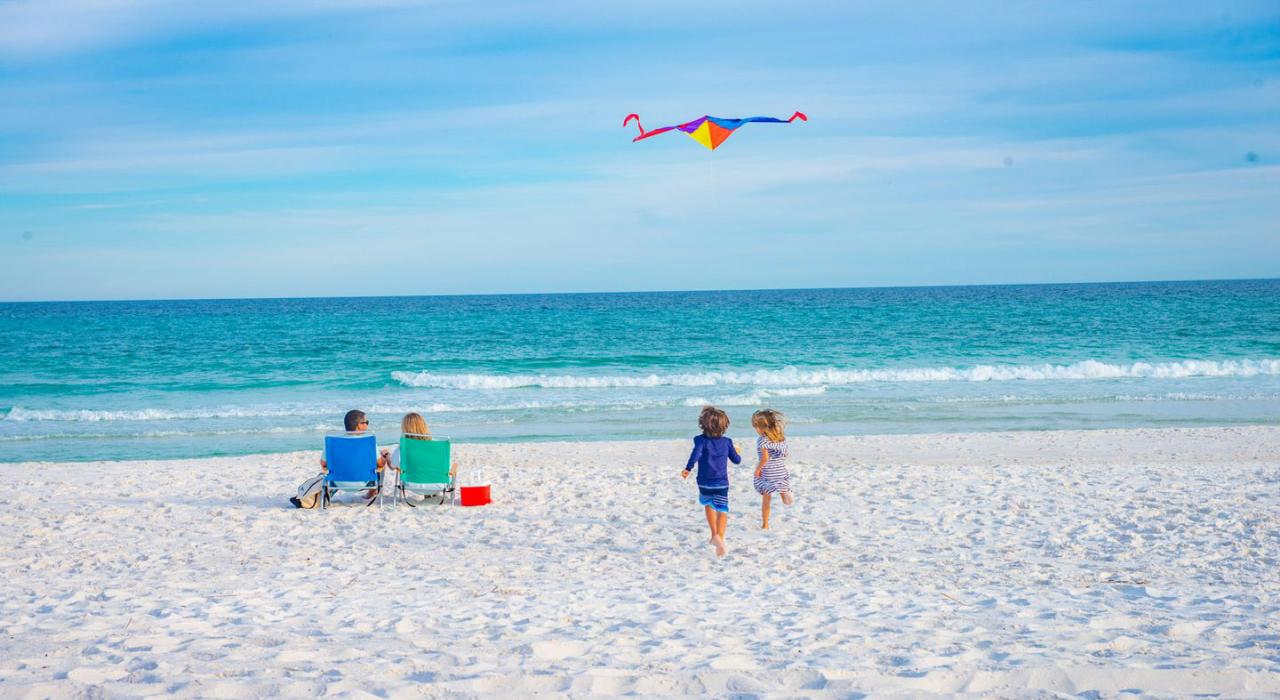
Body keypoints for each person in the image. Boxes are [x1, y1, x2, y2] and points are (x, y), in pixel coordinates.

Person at [681, 406, 741, 557]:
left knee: (708, 504)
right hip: (721, 483)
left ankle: (714, 534)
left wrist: (688, 468)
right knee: (722, 509)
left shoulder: (699, 440)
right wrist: (736, 451)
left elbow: (695, 454)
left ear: (703, 424)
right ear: (724, 426)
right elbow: (737, 460)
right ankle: (720, 537)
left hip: (703, 482)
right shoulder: (727, 442)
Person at [381, 412, 457, 499]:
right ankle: (431, 493)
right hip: (439, 485)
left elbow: (392, 466)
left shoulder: (403, 447)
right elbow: (447, 467)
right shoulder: (438, 445)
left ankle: (428, 492)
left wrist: (387, 455)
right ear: (424, 426)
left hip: (412, 484)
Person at [319, 409, 388, 501]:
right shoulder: (368, 442)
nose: (367, 425)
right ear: (359, 425)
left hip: (337, 482)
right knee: (381, 462)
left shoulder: (333, 442)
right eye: (366, 422)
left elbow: (323, 463)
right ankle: (372, 492)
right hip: (363, 483)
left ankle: (329, 492)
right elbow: (380, 464)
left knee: (329, 470)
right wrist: (384, 456)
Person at [751, 409, 793, 529]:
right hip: (780, 470)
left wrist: (757, 470)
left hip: (768, 473)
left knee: (766, 498)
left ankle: (765, 524)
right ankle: (784, 493)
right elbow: (785, 454)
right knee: (781, 485)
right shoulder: (780, 438)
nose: (756, 430)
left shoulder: (762, 440)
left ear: (762, 427)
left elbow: (765, 458)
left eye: (756, 427)